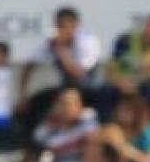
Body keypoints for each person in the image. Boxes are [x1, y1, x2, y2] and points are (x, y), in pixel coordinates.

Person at [18, 7, 101, 137]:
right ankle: (33, 143)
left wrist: (61, 51)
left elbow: (78, 73)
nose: (61, 31)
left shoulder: (88, 42)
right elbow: (29, 66)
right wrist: (23, 95)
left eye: (65, 26)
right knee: (36, 102)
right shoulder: (52, 42)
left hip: (88, 89)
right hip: (65, 87)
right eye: (58, 26)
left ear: (76, 26)